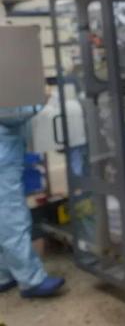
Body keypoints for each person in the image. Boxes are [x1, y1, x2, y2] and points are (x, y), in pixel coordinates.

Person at [0, 106, 65, 298]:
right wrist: (37, 103)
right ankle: (32, 281)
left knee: (4, 221)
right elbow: (10, 112)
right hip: (3, 158)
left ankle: (5, 274)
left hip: (6, 152)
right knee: (13, 219)